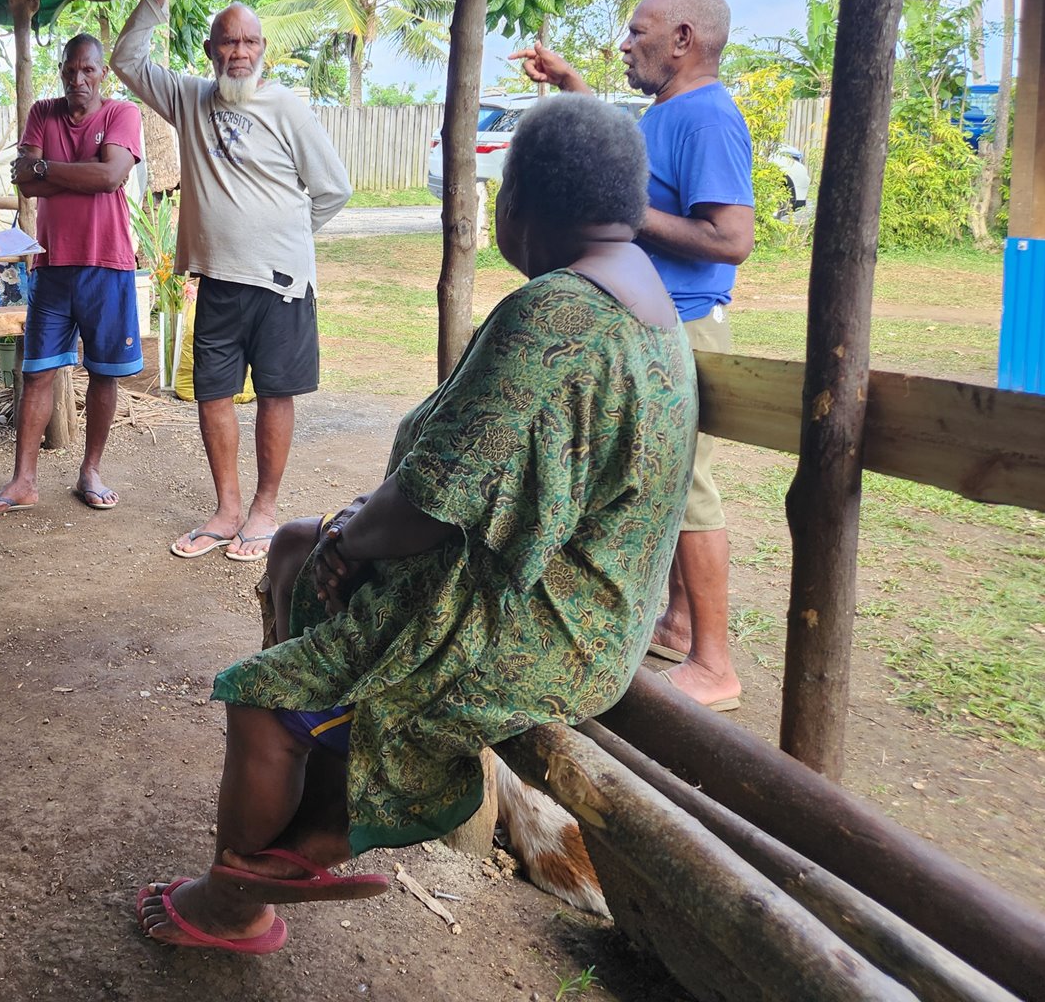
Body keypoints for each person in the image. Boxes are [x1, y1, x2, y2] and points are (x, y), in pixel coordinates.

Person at [135, 95, 696, 954]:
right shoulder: (643, 297)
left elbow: (432, 501)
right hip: (582, 603)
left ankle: (235, 904)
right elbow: (476, 479)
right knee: (292, 545)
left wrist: (350, 537)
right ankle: (321, 782)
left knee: (260, 693)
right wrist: (348, 529)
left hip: (546, 626)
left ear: (519, 204)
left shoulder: (558, 312)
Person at [512, 0, 752, 712]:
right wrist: (572, 86)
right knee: (667, 480)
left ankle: (715, 663)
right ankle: (678, 625)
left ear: (683, 39)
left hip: (683, 324)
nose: (625, 43)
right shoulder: (668, 111)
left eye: (638, 31)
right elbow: (640, 175)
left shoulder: (707, 117)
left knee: (689, 491)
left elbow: (730, 238)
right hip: (657, 320)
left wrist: (624, 214)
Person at [110, 0, 351, 563]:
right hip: (216, 279)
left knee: (276, 393)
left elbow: (332, 189)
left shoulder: (288, 107)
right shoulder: (191, 100)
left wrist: (289, 240)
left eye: (248, 42)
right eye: (227, 42)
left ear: (262, 47)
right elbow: (127, 60)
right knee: (213, 394)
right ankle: (227, 510)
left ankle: (265, 512)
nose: (238, 52)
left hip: (282, 286)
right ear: (212, 49)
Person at [0, 33, 143, 517]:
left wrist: (48, 166)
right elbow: (25, 182)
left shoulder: (121, 114)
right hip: (52, 263)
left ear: (102, 73)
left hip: (108, 262)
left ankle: (90, 471)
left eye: (88, 70)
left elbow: (110, 177)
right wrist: (78, 169)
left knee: (104, 373)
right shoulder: (43, 112)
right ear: (62, 71)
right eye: (70, 70)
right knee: (37, 371)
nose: (78, 79)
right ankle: (23, 481)